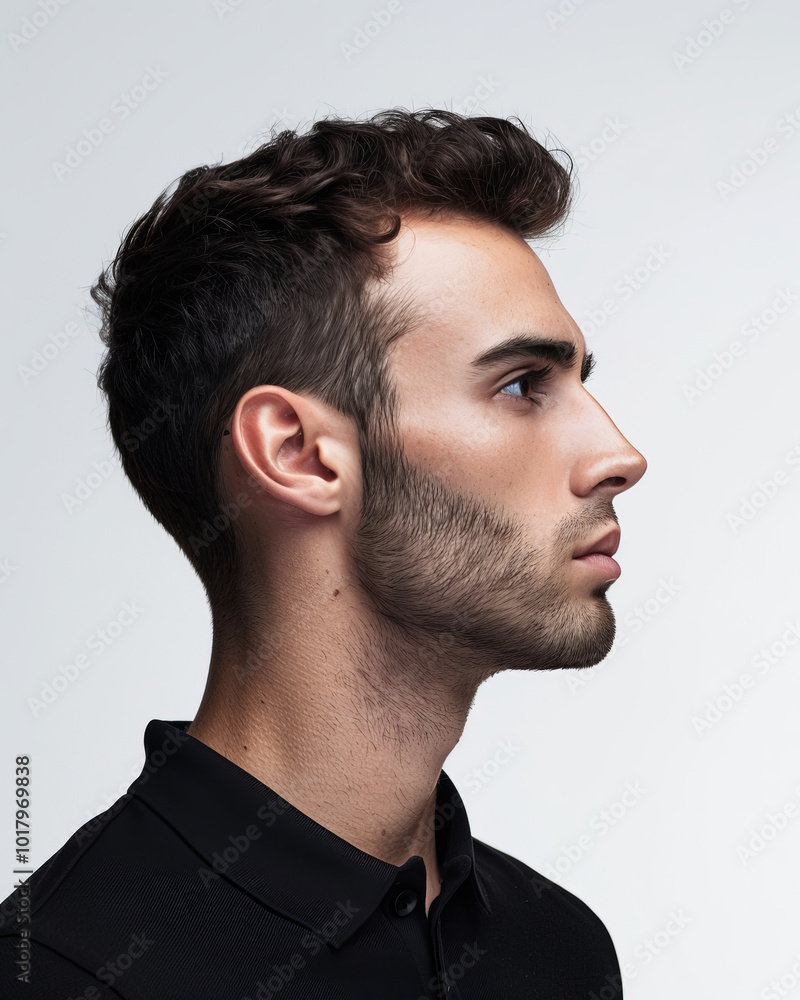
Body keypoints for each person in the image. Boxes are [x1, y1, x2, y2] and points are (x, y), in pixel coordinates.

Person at [1, 108, 646, 998]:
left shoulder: (555, 948)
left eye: (582, 380)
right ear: (297, 454)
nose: (620, 454)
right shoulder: (63, 971)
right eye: (522, 384)